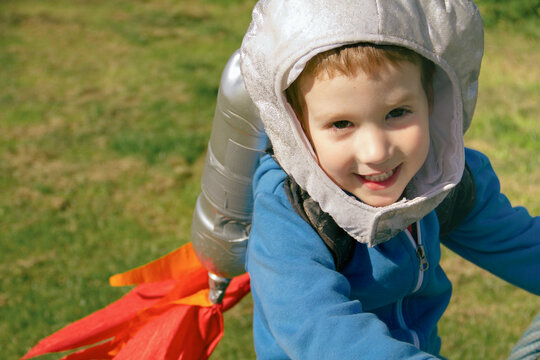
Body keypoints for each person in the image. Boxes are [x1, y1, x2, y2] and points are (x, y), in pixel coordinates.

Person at [239, 0, 540, 358]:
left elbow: (520, 244)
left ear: (431, 101)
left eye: (397, 113)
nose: (375, 152)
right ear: (299, 127)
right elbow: (319, 330)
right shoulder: (291, 210)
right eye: (341, 124)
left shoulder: (442, 179)